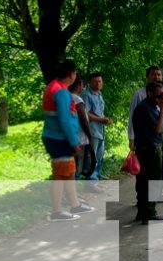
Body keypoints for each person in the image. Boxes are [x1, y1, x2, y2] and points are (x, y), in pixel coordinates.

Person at [41, 60, 94, 221]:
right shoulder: (61, 92)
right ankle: (57, 211)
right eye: (75, 73)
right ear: (71, 74)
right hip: (60, 139)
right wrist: (74, 141)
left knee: (69, 172)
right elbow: (64, 119)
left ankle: (75, 204)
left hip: (57, 138)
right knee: (60, 175)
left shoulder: (54, 87)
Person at [128, 67, 163, 189]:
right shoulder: (139, 94)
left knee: (162, 164)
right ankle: (144, 199)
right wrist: (131, 138)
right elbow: (132, 117)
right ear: (147, 77)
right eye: (153, 74)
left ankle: (158, 193)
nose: (156, 77)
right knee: (145, 170)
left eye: (159, 74)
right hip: (146, 138)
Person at [131, 82, 163, 224]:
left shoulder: (150, 106)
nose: (161, 98)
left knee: (144, 181)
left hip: (147, 147)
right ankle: (149, 213)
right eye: (159, 95)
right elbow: (158, 129)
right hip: (150, 148)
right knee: (152, 181)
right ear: (149, 93)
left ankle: (143, 212)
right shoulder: (146, 108)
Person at [82, 72, 112, 189]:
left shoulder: (99, 94)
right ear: (89, 82)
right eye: (95, 81)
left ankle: (96, 176)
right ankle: (90, 182)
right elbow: (86, 114)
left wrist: (105, 120)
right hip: (92, 130)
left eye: (100, 81)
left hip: (100, 130)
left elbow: (100, 112)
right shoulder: (86, 95)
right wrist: (101, 120)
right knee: (91, 156)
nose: (98, 83)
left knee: (99, 155)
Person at [69, 76, 92, 180]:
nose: (83, 87)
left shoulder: (66, 97)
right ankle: (72, 194)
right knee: (76, 167)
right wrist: (89, 135)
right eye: (82, 85)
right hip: (79, 138)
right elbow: (83, 119)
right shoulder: (77, 99)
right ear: (78, 85)